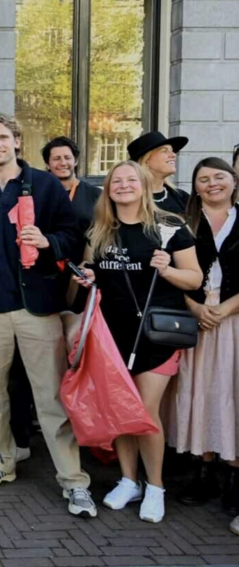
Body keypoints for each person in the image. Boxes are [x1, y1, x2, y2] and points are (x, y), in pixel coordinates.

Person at [0, 113, 96, 518]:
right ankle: (1, 462)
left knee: (50, 398)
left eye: (1, 137)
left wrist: (48, 241)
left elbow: (73, 234)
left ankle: (73, 481)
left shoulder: (44, 186)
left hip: (37, 309)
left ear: (16, 141)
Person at [73, 160, 202, 523]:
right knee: (119, 410)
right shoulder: (99, 230)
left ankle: (156, 486)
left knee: (145, 413)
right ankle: (129, 481)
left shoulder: (169, 227)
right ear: (108, 189)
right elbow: (91, 271)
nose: (124, 186)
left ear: (145, 185)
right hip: (111, 334)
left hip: (155, 333)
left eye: (131, 180)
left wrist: (167, 269)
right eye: (117, 181)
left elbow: (194, 279)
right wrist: (86, 276)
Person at [168, 158, 239, 518]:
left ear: (233, 180)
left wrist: (225, 309)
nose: (212, 184)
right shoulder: (186, 225)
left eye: (219, 177)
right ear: (194, 187)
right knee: (200, 392)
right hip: (197, 318)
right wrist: (197, 310)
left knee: (233, 393)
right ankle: (204, 468)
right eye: (203, 179)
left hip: (235, 318)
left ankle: (234, 474)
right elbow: (174, 273)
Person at [42, 136, 101, 235]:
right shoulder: (39, 195)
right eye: (56, 159)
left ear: (76, 161)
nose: (63, 163)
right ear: (47, 164)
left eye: (67, 158)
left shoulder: (96, 195)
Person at [127, 131, 190, 215]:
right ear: (147, 160)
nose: (173, 155)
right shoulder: (129, 197)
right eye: (164, 150)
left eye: (172, 150)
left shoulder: (181, 197)